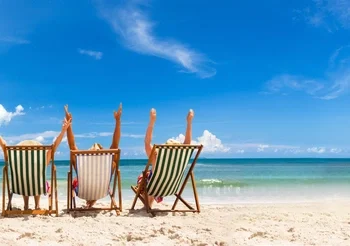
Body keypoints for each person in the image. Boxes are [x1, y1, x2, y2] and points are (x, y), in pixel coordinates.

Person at [0, 117, 71, 210]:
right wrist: (63, 131)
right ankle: (37, 206)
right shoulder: (42, 158)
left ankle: (26, 205)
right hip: (38, 186)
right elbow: (54, 145)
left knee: (24, 179)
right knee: (39, 179)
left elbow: (4, 145)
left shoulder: (13, 156)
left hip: (19, 186)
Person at [64, 104, 122, 208]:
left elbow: (72, 145)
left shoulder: (81, 164)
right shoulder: (110, 165)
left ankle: (90, 199)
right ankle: (93, 199)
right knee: (99, 182)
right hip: (102, 191)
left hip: (82, 192)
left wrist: (69, 124)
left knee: (76, 180)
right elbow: (115, 144)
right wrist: (117, 121)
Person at [138, 108, 194, 208]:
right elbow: (188, 143)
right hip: (171, 188)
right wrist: (189, 122)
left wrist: (152, 121)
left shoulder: (156, 159)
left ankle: (148, 204)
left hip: (155, 187)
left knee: (144, 177)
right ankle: (150, 202)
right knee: (150, 175)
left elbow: (147, 142)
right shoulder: (182, 158)